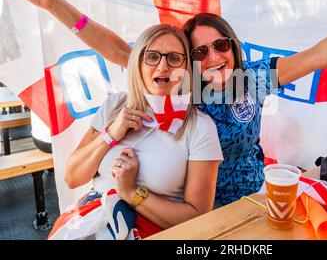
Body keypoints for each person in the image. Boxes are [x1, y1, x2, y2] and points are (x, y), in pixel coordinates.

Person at [7, 0, 327, 206]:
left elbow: (323, 53)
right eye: (199, 52)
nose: (213, 58)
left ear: (232, 45)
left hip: (255, 201)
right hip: (190, 215)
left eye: (220, 45)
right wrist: (53, 4)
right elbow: (122, 50)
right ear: (187, 62)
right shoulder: (183, 83)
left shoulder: (252, 77)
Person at [50, 24, 223, 239]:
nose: (162, 66)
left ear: (186, 68)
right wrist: (110, 134)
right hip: (87, 223)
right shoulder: (114, 105)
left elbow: (198, 217)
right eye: (152, 57)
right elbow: (72, 178)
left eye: (174, 58)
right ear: (138, 64)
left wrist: (132, 193)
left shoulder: (200, 127)